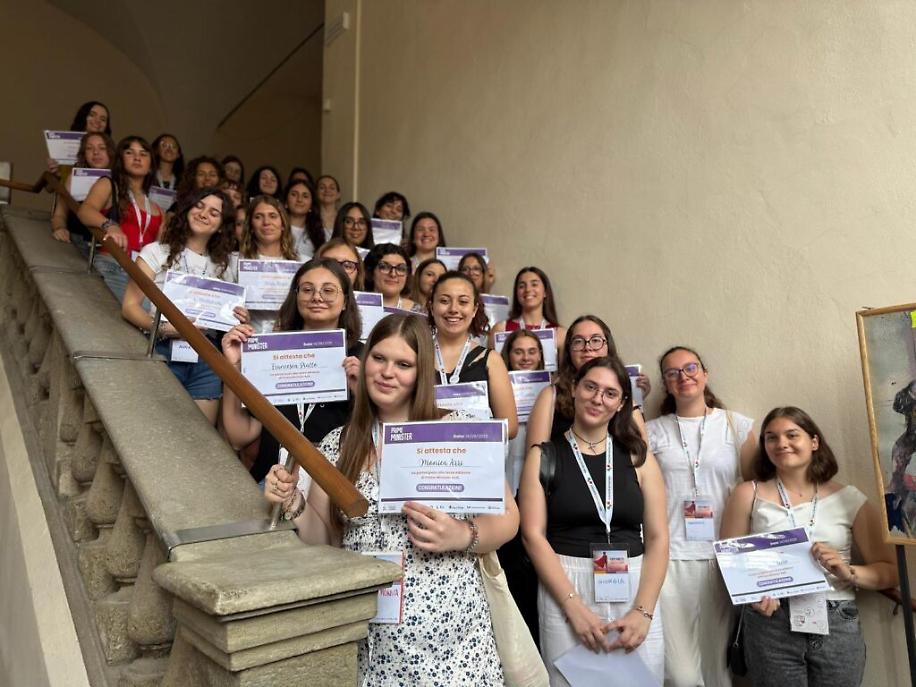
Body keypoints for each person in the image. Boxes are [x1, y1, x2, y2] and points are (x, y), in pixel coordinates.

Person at [265, 313, 518, 685]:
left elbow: (509, 517)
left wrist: (463, 534)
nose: (387, 372)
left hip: (453, 641)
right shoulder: (339, 443)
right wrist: (292, 501)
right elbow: (326, 539)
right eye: (379, 358)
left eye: (403, 364)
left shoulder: (457, 428)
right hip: (372, 637)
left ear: (421, 372)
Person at [720, 406, 898, 687]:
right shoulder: (747, 494)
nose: (781, 443)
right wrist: (752, 597)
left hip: (836, 619)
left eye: (792, 435)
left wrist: (849, 571)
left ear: (814, 442)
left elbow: (890, 572)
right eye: (771, 437)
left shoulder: (849, 498)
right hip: (771, 622)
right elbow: (729, 566)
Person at [520, 356, 668, 684]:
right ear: (574, 389)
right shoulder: (543, 456)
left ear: (621, 404)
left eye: (610, 393)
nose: (598, 398)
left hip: (635, 587)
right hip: (566, 586)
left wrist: (643, 611)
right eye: (590, 387)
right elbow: (532, 535)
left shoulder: (638, 456)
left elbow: (658, 537)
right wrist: (573, 607)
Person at [646, 346, 756, 687]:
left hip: (721, 559)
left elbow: (757, 494)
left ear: (705, 374)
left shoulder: (736, 426)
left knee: (718, 670)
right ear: (666, 384)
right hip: (669, 559)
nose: (683, 376)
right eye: (672, 372)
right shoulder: (651, 430)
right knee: (680, 674)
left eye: (690, 368)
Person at [222, 258, 362, 485]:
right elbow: (240, 436)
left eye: (328, 290)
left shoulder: (362, 359)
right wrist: (233, 369)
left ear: (345, 301)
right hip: (270, 482)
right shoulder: (269, 352)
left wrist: (362, 392)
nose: (317, 297)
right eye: (307, 289)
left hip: (329, 487)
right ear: (296, 297)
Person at [121, 187, 240, 424]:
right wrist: (166, 329)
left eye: (214, 213)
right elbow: (129, 306)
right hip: (162, 348)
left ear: (221, 225)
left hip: (206, 356)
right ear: (187, 209)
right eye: (199, 206)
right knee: (156, 426)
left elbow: (225, 319)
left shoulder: (225, 266)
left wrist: (237, 315)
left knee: (199, 436)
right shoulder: (155, 252)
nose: (204, 214)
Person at [527, 315, 651, 448]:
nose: (587, 347)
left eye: (596, 340)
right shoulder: (550, 395)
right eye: (578, 341)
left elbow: (642, 453)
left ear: (608, 346)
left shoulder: (624, 400)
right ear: (569, 350)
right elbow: (535, 455)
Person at [426, 271, 518, 438]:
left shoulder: (491, 360)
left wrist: (466, 431)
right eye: (444, 301)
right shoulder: (415, 356)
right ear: (432, 307)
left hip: (475, 452)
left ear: (474, 309)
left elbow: (510, 428)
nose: (454, 309)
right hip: (425, 451)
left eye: (463, 302)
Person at [499, 327, 546, 645]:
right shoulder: (498, 390)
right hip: (505, 484)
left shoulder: (550, 393)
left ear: (542, 356)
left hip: (535, 490)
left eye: (532, 351)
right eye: (519, 351)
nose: (526, 357)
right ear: (509, 355)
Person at [77, 135, 162, 301]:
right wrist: (110, 225)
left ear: (151, 166)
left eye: (143, 154)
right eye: (130, 152)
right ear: (121, 160)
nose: (137, 157)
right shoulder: (109, 185)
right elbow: (85, 211)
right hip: (112, 265)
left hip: (142, 277)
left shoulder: (158, 209)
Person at [238, 195, 302, 333]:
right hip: (247, 336)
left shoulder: (303, 262)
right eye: (258, 217)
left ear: (283, 224)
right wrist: (236, 315)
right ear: (250, 226)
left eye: (273, 216)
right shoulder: (235, 262)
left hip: (290, 336)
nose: (266, 222)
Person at [50, 131, 114, 257]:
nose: (95, 152)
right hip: (75, 243)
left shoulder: (120, 181)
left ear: (111, 152)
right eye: (89, 148)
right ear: (84, 154)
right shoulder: (74, 177)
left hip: (108, 249)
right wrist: (59, 228)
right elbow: (59, 214)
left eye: (102, 148)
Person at [490, 267, 567, 355]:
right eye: (522, 286)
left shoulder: (560, 334)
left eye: (534, 284)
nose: (528, 290)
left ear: (545, 292)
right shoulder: (500, 330)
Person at [363, 243, 416, 310]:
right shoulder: (354, 306)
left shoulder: (417, 312)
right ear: (370, 272)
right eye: (385, 267)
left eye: (400, 269)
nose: (393, 274)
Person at [284, 178, 326, 259]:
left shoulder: (317, 233)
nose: (299, 199)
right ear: (286, 202)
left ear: (311, 205)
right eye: (294, 194)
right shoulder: (276, 229)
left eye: (305, 196)